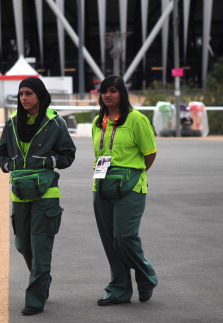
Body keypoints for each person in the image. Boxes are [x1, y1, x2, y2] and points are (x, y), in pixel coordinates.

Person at [0, 76, 76, 316]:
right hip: (20, 193)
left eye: (29, 93)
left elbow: (68, 155)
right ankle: (42, 280)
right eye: (21, 94)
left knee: (41, 246)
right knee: (22, 244)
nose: (24, 98)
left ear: (39, 95)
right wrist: (9, 164)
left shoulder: (55, 122)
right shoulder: (11, 124)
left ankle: (35, 298)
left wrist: (48, 161)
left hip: (46, 194)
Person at [91, 75, 158, 306]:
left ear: (122, 93)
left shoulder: (136, 119)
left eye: (113, 90)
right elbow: (99, 155)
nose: (107, 95)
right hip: (101, 185)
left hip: (130, 187)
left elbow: (149, 154)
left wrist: (133, 174)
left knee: (124, 238)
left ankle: (146, 275)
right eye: (104, 91)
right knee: (110, 242)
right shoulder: (98, 122)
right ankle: (119, 289)